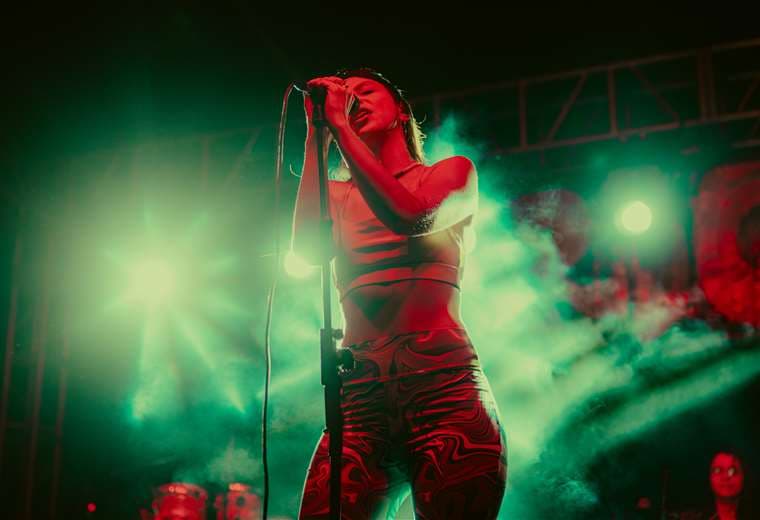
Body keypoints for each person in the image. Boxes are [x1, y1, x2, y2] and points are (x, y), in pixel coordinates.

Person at [291, 69, 507, 519]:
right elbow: (309, 249)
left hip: (445, 393)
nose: (353, 100)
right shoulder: (336, 196)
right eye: (346, 95)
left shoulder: (452, 173)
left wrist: (341, 125)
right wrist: (317, 137)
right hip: (359, 403)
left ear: (402, 112)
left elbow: (410, 217)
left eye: (366, 91)